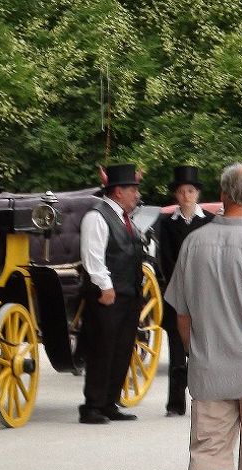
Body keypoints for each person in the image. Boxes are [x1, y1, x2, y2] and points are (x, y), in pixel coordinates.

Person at [165, 163, 242, 470]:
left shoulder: (193, 243)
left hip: (211, 367)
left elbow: (182, 315)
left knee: (205, 456)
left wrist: (194, 352)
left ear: (223, 195)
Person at [78, 164, 143, 424]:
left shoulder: (126, 218)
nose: (137, 195)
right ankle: (92, 406)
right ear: (118, 192)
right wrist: (105, 286)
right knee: (102, 349)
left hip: (129, 293)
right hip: (109, 294)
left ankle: (109, 403)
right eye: (133, 190)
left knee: (122, 348)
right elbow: (93, 256)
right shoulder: (96, 216)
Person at [158, 166, 214, 417]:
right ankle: (175, 403)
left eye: (190, 191)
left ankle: (207, 401)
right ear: (176, 196)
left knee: (206, 351)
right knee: (177, 351)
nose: (186, 196)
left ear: (197, 193)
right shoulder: (167, 224)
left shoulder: (210, 222)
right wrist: (180, 282)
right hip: (177, 291)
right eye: (181, 192)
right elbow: (166, 258)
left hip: (204, 294)